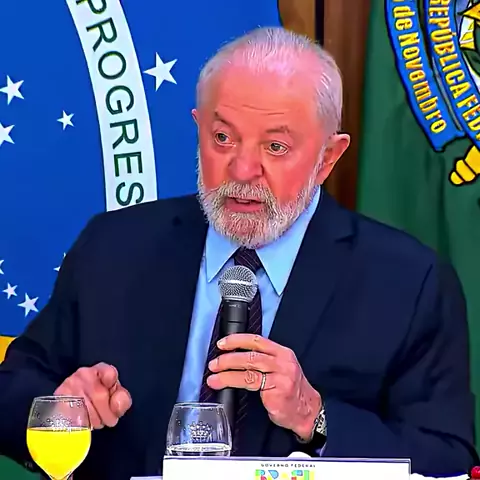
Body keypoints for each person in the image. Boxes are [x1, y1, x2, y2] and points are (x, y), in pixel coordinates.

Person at [0, 27, 478, 479]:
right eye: (223, 138)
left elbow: (446, 460)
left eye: (276, 146)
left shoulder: (408, 282)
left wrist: (315, 417)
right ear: (198, 128)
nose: (243, 169)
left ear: (327, 158)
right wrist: (61, 408)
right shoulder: (114, 246)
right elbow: (11, 392)